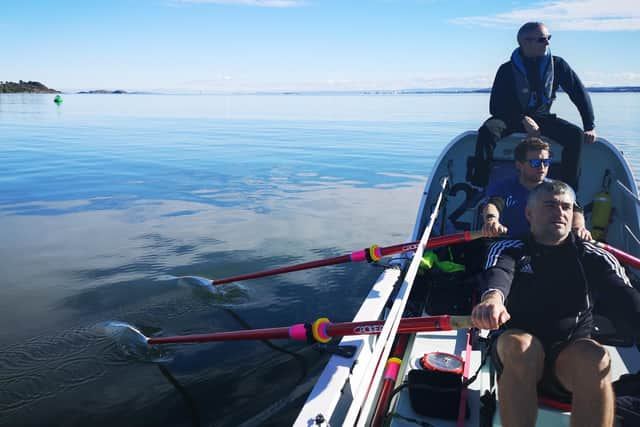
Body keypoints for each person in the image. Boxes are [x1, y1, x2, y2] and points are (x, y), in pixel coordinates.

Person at [472, 180, 640, 427]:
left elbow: (625, 299)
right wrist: (492, 300)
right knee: (522, 347)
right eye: (550, 205)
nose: (559, 212)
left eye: (566, 207)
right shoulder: (510, 248)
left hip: (569, 359)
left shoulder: (593, 256)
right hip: (515, 352)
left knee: (596, 357)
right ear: (529, 214)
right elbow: (499, 276)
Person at [468, 22, 596, 189]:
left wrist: (589, 125)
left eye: (548, 38)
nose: (548, 43)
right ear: (526, 42)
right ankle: (479, 185)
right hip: (510, 118)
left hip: (542, 118)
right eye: (542, 39)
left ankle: (567, 190)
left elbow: (579, 94)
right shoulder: (506, 70)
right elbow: (495, 107)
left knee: (575, 135)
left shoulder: (558, 65)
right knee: (487, 131)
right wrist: (522, 119)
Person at [481, 136, 591, 240]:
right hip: (512, 245)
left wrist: (579, 228)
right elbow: (493, 204)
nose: (542, 167)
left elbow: (575, 209)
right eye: (535, 163)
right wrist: (492, 220)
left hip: (550, 246)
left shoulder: (561, 189)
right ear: (519, 165)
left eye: (546, 162)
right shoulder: (502, 188)